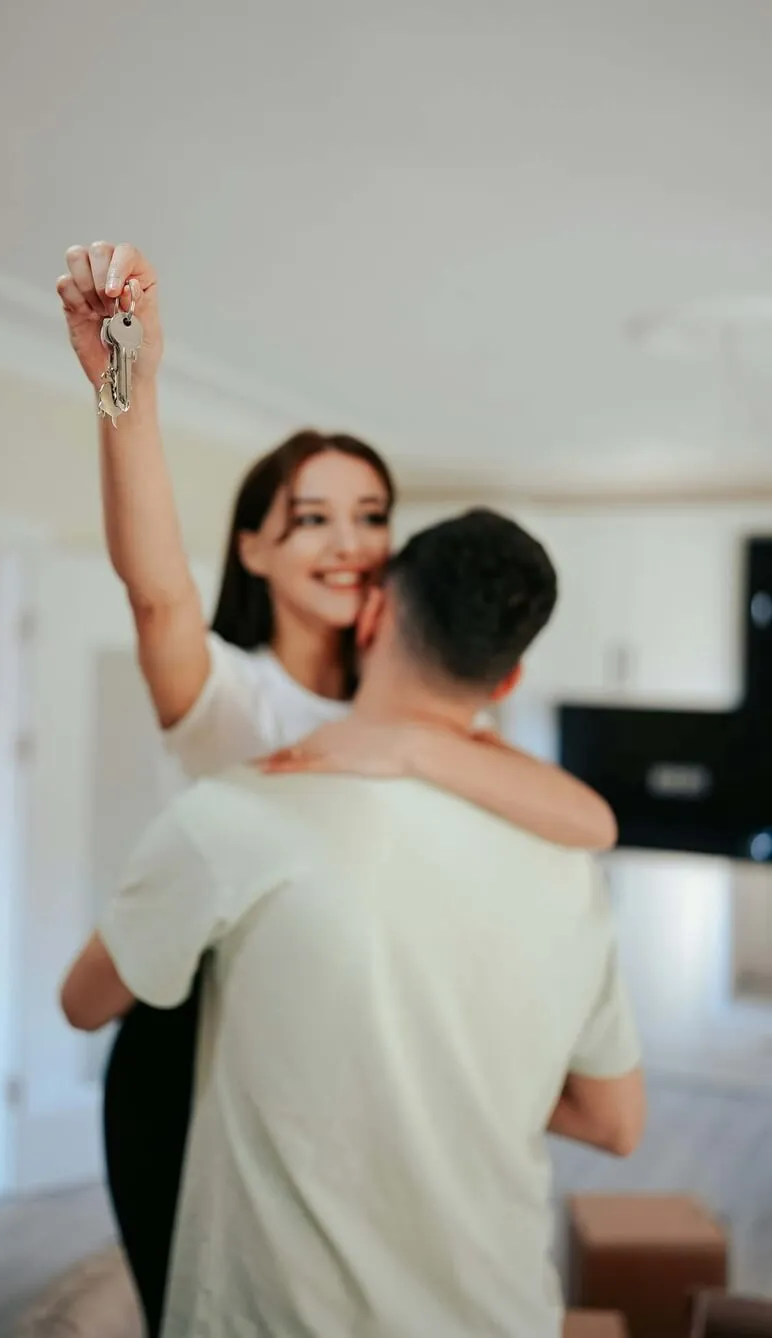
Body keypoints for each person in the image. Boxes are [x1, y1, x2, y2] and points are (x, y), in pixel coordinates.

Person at [56, 242, 618, 1336]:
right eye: (310, 518)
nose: (350, 541)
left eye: (369, 513)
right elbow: (156, 589)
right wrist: (127, 379)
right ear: (254, 550)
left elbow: (585, 817)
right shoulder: (231, 697)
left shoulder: (421, 714)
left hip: (324, 1039)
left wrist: (405, 751)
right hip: (192, 1048)